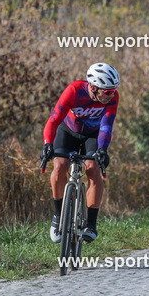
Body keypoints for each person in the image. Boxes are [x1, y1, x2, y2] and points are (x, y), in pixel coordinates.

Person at [40, 63, 119, 243]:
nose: (111, 95)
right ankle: (58, 216)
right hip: (68, 131)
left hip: (93, 135)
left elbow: (106, 125)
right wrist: (47, 144)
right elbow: (53, 120)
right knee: (60, 165)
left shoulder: (113, 98)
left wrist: (102, 150)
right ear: (93, 87)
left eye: (114, 90)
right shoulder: (74, 90)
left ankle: (90, 224)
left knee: (93, 168)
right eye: (107, 92)